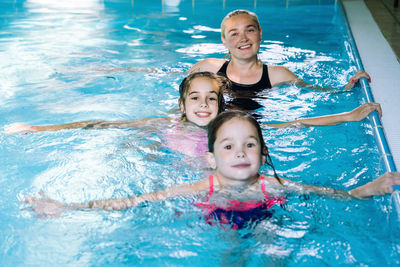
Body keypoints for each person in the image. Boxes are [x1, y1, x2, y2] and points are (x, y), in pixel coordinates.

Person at [23, 110, 400, 229]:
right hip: (215, 218)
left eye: (250, 144)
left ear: (263, 154)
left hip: (264, 215)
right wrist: (68, 208)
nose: (241, 153)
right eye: (229, 146)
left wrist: (368, 189)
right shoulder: (196, 187)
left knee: (272, 248)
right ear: (211, 158)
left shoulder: (273, 185)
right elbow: (135, 200)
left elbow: (334, 194)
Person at [188, 9, 371, 111]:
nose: (243, 38)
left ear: (260, 33)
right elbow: (177, 83)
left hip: (253, 134)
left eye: (249, 30)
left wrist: (348, 87)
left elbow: (319, 93)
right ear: (224, 41)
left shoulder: (278, 75)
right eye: (234, 34)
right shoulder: (209, 68)